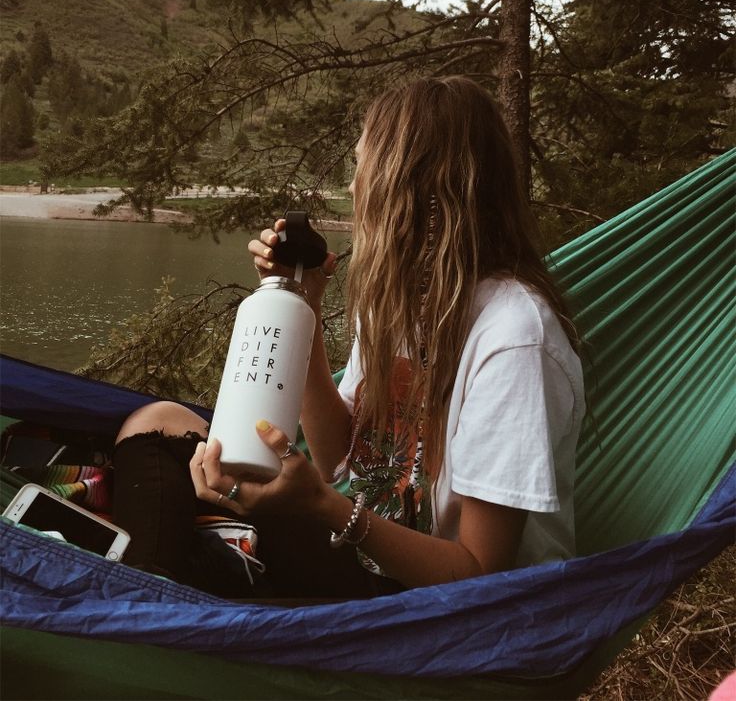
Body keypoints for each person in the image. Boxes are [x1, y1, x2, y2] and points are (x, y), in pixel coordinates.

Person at [112, 76, 585, 599]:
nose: (356, 187)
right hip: (365, 553)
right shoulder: (404, 304)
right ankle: (155, 587)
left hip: (438, 608)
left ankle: (150, 604)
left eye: (362, 168)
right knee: (159, 424)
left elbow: (480, 574)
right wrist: (303, 304)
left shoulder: (514, 338)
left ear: (406, 187)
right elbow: (340, 454)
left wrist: (322, 506)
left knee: (178, 501)